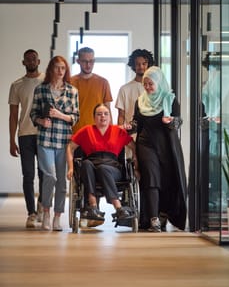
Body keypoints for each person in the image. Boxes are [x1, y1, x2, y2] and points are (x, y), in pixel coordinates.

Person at [131, 66, 187, 232]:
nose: (147, 88)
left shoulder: (169, 100)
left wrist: (171, 121)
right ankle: (153, 218)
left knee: (167, 180)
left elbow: (178, 121)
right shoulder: (140, 102)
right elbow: (136, 123)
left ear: (159, 82)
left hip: (166, 146)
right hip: (145, 144)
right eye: (145, 84)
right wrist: (129, 126)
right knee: (151, 178)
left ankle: (163, 213)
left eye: (150, 84)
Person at [66, 103, 138, 226]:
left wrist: (136, 165)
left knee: (103, 168)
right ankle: (93, 206)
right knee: (86, 164)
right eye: (99, 114)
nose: (102, 117)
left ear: (110, 116)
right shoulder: (86, 130)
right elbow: (70, 147)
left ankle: (118, 207)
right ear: (94, 117)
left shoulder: (118, 131)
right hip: (92, 167)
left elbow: (133, 147)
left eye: (105, 114)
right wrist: (71, 168)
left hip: (113, 168)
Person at [30, 55, 79, 231]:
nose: (60, 71)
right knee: (49, 176)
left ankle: (58, 216)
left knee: (62, 182)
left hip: (64, 141)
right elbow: (33, 113)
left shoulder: (72, 91)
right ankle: (46, 212)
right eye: (57, 67)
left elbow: (75, 117)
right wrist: (41, 121)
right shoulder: (40, 90)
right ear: (51, 69)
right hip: (44, 140)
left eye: (63, 68)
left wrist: (60, 115)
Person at [8, 49, 45, 228]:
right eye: (27, 60)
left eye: (33, 59)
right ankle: (31, 213)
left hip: (44, 134)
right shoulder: (17, 85)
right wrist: (11, 140)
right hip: (24, 135)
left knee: (44, 174)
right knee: (28, 175)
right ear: (23, 63)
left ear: (39, 61)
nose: (31, 61)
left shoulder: (46, 80)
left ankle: (42, 206)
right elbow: (13, 115)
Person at [71, 47, 113, 133]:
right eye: (84, 61)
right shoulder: (70, 82)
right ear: (78, 61)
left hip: (98, 132)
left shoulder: (103, 82)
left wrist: (111, 132)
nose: (88, 65)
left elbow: (107, 109)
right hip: (75, 133)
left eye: (91, 61)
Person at [115, 49, 154, 126]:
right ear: (133, 65)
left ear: (148, 65)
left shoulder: (155, 88)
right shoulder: (124, 89)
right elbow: (121, 116)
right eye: (137, 64)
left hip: (151, 135)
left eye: (144, 64)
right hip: (131, 135)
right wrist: (120, 135)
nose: (141, 67)